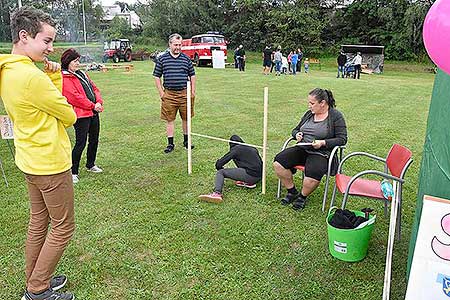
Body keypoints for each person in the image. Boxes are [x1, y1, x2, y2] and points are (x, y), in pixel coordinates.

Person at [0, 7, 77, 300]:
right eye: (46, 41)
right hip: (50, 163)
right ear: (24, 36)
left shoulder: (8, 70)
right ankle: (37, 290)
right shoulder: (32, 78)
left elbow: (49, 104)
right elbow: (68, 114)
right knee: (63, 227)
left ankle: (35, 277)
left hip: (30, 160)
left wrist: (52, 78)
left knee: (38, 222)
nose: (51, 48)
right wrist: (54, 80)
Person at [273, 88, 347, 210]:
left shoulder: (335, 116)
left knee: (313, 172)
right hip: (302, 148)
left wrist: (323, 142)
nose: (309, 106)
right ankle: (292, 192)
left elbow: (342, 139)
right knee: (278, 162)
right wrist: (296, 134)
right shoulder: (309, 114)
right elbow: (296, 129)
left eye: (312, 103)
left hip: (321, 153)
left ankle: (302, 197)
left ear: (322, 103)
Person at [61, 48, 104, 184]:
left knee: (94, 139)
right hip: (81, 115)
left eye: (78, 61)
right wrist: (92, 105)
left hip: (93, 112)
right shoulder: (65, 77)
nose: (77, 63)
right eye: (75, 61)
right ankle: (73, 171)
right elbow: (74, 97)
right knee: (80, 142)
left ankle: (91, 164)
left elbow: (94, 88)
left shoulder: (82, 74)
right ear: (67, 62)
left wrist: (98, 102)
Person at [153, 33, 196, 153]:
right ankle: (170, 144)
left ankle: (186, 141)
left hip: (184, 94)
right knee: (170, 119)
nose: (178, 47)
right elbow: (156, 76)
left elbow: (192, 75)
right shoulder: (162, 59)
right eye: (175, 45)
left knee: (186, 119)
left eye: (180, 45)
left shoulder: (186, 59)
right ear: (170, 44)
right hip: (169, 94)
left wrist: (192, 91)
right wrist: (161, 93)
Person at [199, 135, 263, 203]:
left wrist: (221, 169)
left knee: (221, 172)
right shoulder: (252, 148)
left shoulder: (236, 149)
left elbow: (219, 164)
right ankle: (248, 183)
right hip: (260, 176)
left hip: (251, 176)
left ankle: (217, 194)